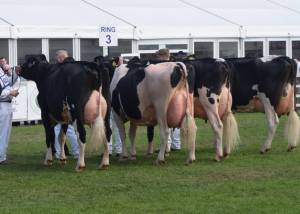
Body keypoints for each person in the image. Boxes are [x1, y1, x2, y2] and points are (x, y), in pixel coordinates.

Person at [53, 50, 79, 159]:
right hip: (71, 103)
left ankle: (59, 153)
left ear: (61, 58)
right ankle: (76, 152)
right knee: (70, 129)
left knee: (57, 128)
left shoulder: (60, 70)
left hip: (60, 104)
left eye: (58, 59)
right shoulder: (75, 69)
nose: (57, 61)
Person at [155, 49, 181, 151]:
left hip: (166, 96)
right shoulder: (175, 66)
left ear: (162, 56)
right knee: (176, 120)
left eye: (157, 56)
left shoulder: (162, 67)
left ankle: (167, 145)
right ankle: (176, 144)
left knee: (166, 120)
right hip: (177, 96)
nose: (157, 58)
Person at [0, 58, 19, 164]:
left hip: (6, 104)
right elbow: (2, 92)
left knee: (5, 132)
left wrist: (11, 72)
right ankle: (1, 157)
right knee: (3, 132)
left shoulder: (3, 72)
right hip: (2, 105)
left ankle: (2, 155)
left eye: (5, 62)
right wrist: (11, 93)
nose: (4, 63)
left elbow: (11, 81)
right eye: (1, 62)